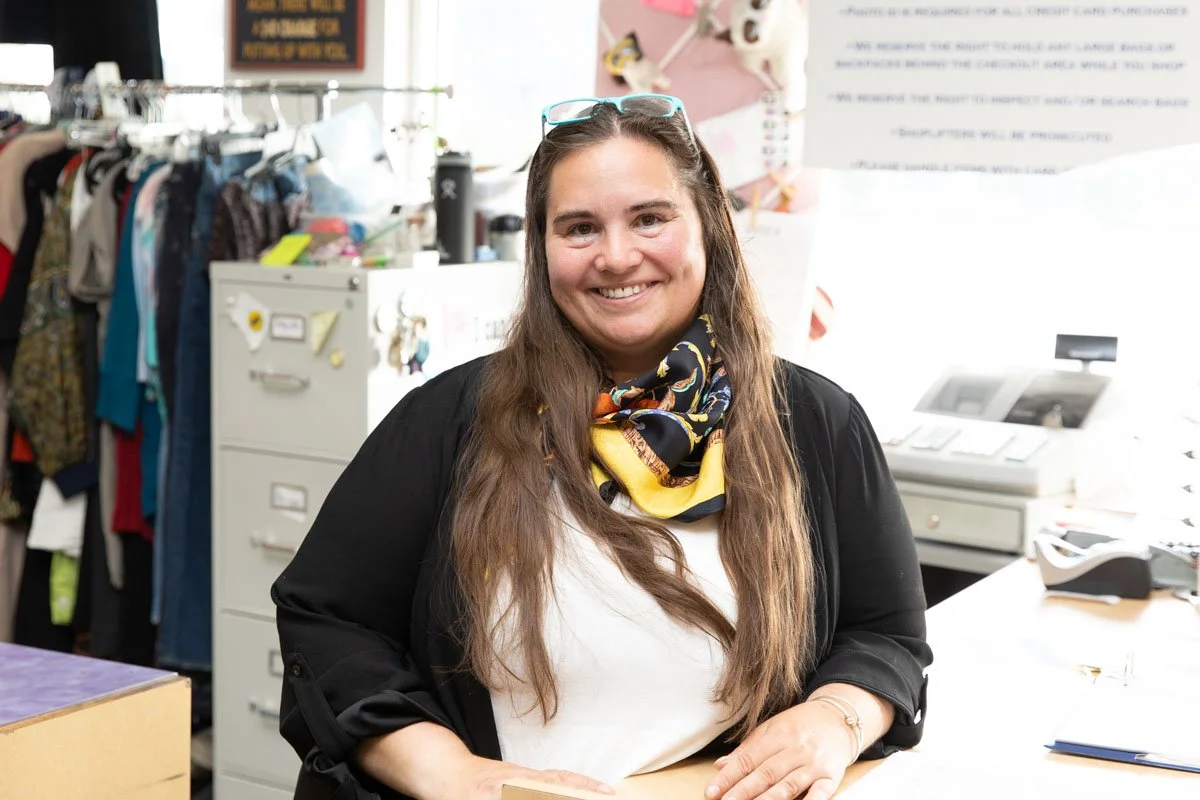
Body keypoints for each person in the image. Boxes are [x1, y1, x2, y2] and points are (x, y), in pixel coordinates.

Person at [272, 93, 932, 800]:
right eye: (579, 228)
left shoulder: (815, 424)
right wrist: (446, 771)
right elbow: (328, 621)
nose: (617, 257)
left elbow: (886, 638)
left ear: (707, 223)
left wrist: (836, 718)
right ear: (541, 246)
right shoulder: (451, 421)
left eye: (649, 218)